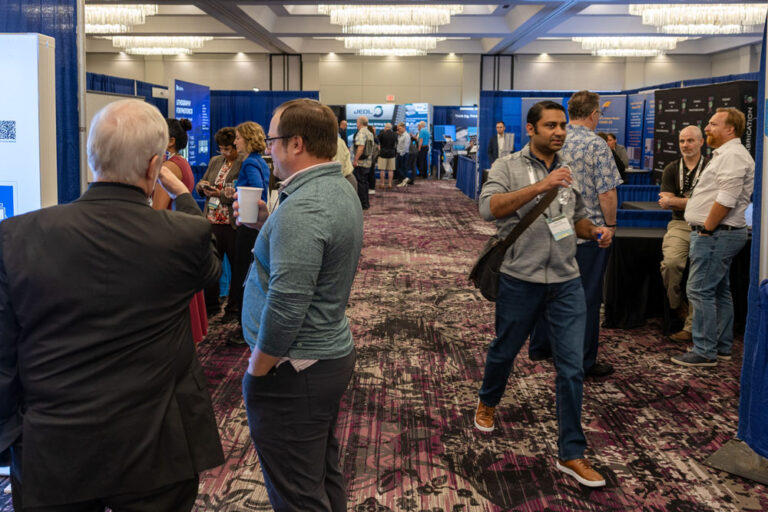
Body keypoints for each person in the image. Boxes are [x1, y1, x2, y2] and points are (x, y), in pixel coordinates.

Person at [0, 99, 224, 510]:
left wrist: (9, 437)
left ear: (92, 159)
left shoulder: (15, 236)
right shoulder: (182, 236)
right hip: (158, 448)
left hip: (51, 447)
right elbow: (210, 267)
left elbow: (3, 352)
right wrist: (182, 194)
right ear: (155, 165)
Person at [474, 100, 612, 488]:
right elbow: (488, 209)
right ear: (531, 129)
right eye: (551, 125)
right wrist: (541, 186)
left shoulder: (569, 170)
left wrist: (594, 231)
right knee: (505, 350)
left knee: (571, 367)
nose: (560, 132)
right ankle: (488, 399)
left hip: (566, 282)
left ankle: (571, 452)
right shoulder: (507, 167)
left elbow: (576, 219)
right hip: (520, 279)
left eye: (563, 125)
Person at [237, 98, 363, 511]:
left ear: (296, 144)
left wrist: (257, 371)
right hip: (321, 357)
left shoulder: (305, 207)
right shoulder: (336, 186)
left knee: (298, 494)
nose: (267, 149)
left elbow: (287, 306)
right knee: (318, 475)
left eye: (272, 140)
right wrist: (268, 223)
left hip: (294, 367)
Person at [528, 90, 622, 378]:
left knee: (547, 290)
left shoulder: (550, 140)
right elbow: (607, 192)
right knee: (586, 299)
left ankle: (541, 346)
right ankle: (582, 360)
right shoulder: (597, 145)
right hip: (587, 235)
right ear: (594, 114)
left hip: (551, 229)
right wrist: (610, 226)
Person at [672, 107, 754, 367]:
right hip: (719, 233)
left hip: (717, 234)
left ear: (730, 129)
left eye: (713, 124)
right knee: (718, 291)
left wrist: (706, 229)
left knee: (699, 290)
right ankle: (720, 346)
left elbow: (727, 199)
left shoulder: (733, 156)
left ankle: (705, 351)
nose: (706, 128)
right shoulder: (726, 154)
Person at [154, 117, 209, 344]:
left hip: (169, 238)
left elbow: (158, 210)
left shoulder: (168, 168)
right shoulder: (182, 163)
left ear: (170, 141)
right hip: (181, 234)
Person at [658, 125, 706, 343]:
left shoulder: (710, 167)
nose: (685, 145)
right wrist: (691, 202)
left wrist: (676, 201)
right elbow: (664, 202)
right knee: (671, 264)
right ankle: (677, 305)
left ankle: (690, 326)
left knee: (699, 272)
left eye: (690, 140)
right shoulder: (671, 168)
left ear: (701, 142)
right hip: (679, 224)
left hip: (705, 225)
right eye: (682, 141)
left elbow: (710, 203)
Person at [229, 121, 271, 337]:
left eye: (238, 138)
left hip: (248, 226)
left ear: (247, 139)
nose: (235, 142)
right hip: (255, 226)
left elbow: (256, 190)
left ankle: (244, 327)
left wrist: (245, 201)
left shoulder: (249, 163)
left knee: (242, 274)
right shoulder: (260, 161)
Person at [196, 126, 243, 317]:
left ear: (236, 146)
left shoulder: (243, 162)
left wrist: (220, 194)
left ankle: (233, 308)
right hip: (212, 220)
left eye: (227, 149)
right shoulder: (215, 161)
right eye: (221, 148)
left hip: (232, 223)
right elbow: (202, 181)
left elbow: (240, 193)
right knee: (211, 266)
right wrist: (202, 186)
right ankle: (211, 306)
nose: (224, 152)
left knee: (237, 267)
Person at [353, 115, 374, 209]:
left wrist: (355, 159)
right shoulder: (370, 133)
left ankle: (362, 204)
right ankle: (366, 203)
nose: (356, 124)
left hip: (361, 162)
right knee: (364, 183)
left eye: (357, 122)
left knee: (360, 183)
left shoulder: (361, 133)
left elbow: (361, 147)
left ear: (359, 123)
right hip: (368, 162)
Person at [377, 122, 398, 189]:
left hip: (383, 153)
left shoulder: (382, 134)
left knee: (382, 170)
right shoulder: (395, 134)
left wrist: (379, 148)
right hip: (392, 153)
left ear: (385, 127)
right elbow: (397, 143)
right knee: (390, 170)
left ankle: (382, 184)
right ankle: (389, 184)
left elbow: (377, 141)